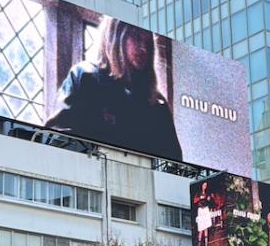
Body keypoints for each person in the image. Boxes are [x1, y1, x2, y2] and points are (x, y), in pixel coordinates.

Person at [45, 17, 182, 160]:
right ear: (115, 35)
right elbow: (57, 140)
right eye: (136, 37)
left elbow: (174, 164)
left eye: (147, 42)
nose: (143, 48)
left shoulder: (157, 104)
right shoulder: (85, 77)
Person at [193, 181, 218, 246]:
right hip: (200, 209)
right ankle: (199, 245)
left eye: (206, 185)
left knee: (206, 226)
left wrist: (209, 199)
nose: (205, 187)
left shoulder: (208, 193)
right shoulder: (198, 193)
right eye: (204, 185)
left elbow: (211, 201)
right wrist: (200, 198)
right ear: (202, 186)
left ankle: (206, 244)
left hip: (206, 209)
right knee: (201, 227)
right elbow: (194, 201)